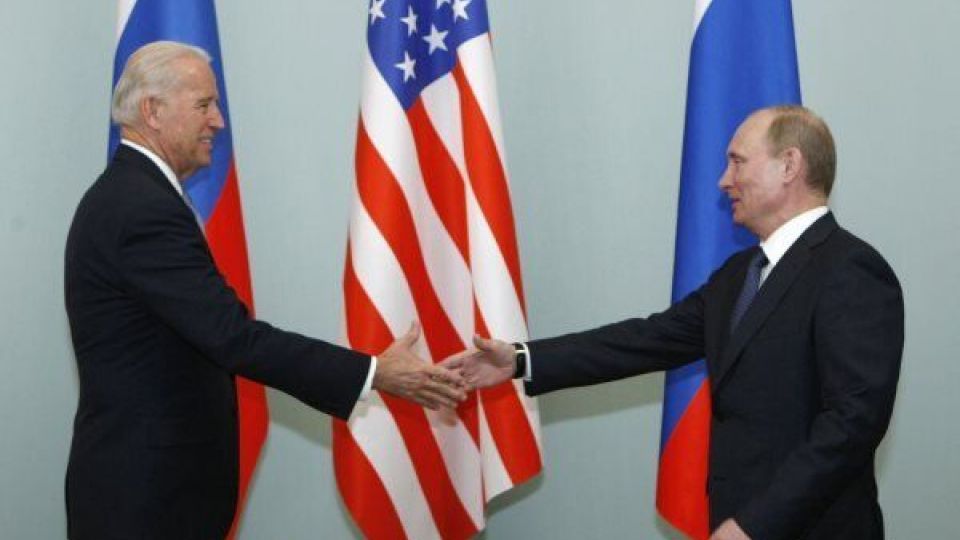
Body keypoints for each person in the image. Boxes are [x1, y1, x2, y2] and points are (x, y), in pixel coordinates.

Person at [64, 41, 465, 540]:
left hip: (153, 494)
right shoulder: (141, 209)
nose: (218, 122)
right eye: (204, 105)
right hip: (144, 504)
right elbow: (234, 337)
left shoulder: (133, 196)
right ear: (153, 111)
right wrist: (374, 372)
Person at [445, 106, 904, 540]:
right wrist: (521, 360)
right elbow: (644, 340)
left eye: (737, 162)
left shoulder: (851, 270)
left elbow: (852, 423)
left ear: (789, 165)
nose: (724, 181)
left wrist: (757, 523)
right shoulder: (740, 274)